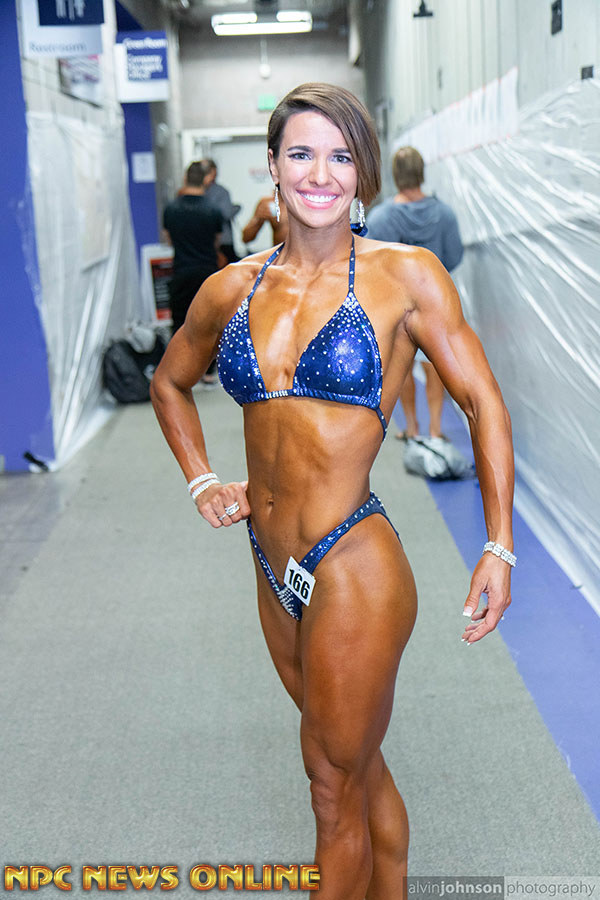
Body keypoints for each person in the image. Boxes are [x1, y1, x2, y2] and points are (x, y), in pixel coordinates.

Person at [151, 83, 514, 900]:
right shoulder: (232, 288)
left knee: (327, 782)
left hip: (352, 560)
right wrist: (201, 477)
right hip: (270, 565)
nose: (320, 174)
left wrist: (499, 544)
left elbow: (483, 402)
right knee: (354, 764)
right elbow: (169, 382)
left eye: (341, 156)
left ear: (363, 172)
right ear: (272, 165)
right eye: (302, 153)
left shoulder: (404, 276)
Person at [368, 146, 464, 442]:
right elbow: (454, 256)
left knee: (401, 367)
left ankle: (411, 427)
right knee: (436, 365)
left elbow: (371, 265)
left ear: (395, 176)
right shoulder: (444, 214)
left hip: (396, 306)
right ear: (421, 172)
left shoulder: (380, 218)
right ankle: (435, 429)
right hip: (436, 302)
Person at [162, 160, 223, 383]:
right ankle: (208, 372)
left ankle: (179, 372)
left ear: (185, 179)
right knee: (210, 323)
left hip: (181, 270)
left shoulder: (171, 209)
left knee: (179, 321)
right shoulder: (213, 210)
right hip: (207, 272)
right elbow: (217, 242)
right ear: (206, 180)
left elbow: (168, 239)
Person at [201, 158, 240, 264]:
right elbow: (226, 213)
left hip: (221, 241)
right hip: (216, 241)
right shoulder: (218, 192)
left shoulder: (220, 191)